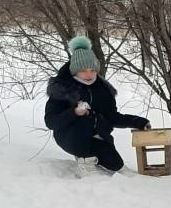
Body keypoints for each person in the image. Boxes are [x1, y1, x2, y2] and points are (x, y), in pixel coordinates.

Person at [44, 35, 150, 174]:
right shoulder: (63, 89)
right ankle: (85, 160)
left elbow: (112, 116)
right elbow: (51, 121)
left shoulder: (103, 90)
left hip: (97, 136)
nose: (89, 74)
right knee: (84, 119)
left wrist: (138, 122)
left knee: (116, 165)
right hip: (69, 137)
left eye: (92, 70)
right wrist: (74, 112)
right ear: (75, 70)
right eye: (83, 70)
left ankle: (93, 156)